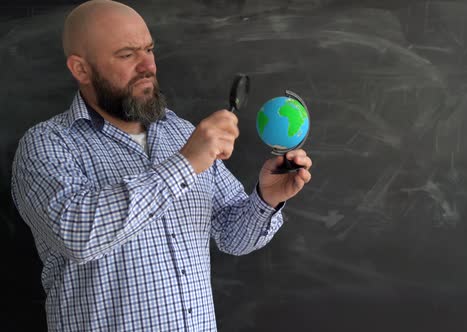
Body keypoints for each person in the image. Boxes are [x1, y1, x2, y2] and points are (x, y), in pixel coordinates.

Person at [10, 0, 312, 331]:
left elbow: (232, 237)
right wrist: (185, 163)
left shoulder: (183, 132)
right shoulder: (47, 143)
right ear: (81, 69)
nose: (148, 65)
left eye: (149, 49)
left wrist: (266, 199)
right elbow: (78, 235)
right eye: (127, 55)